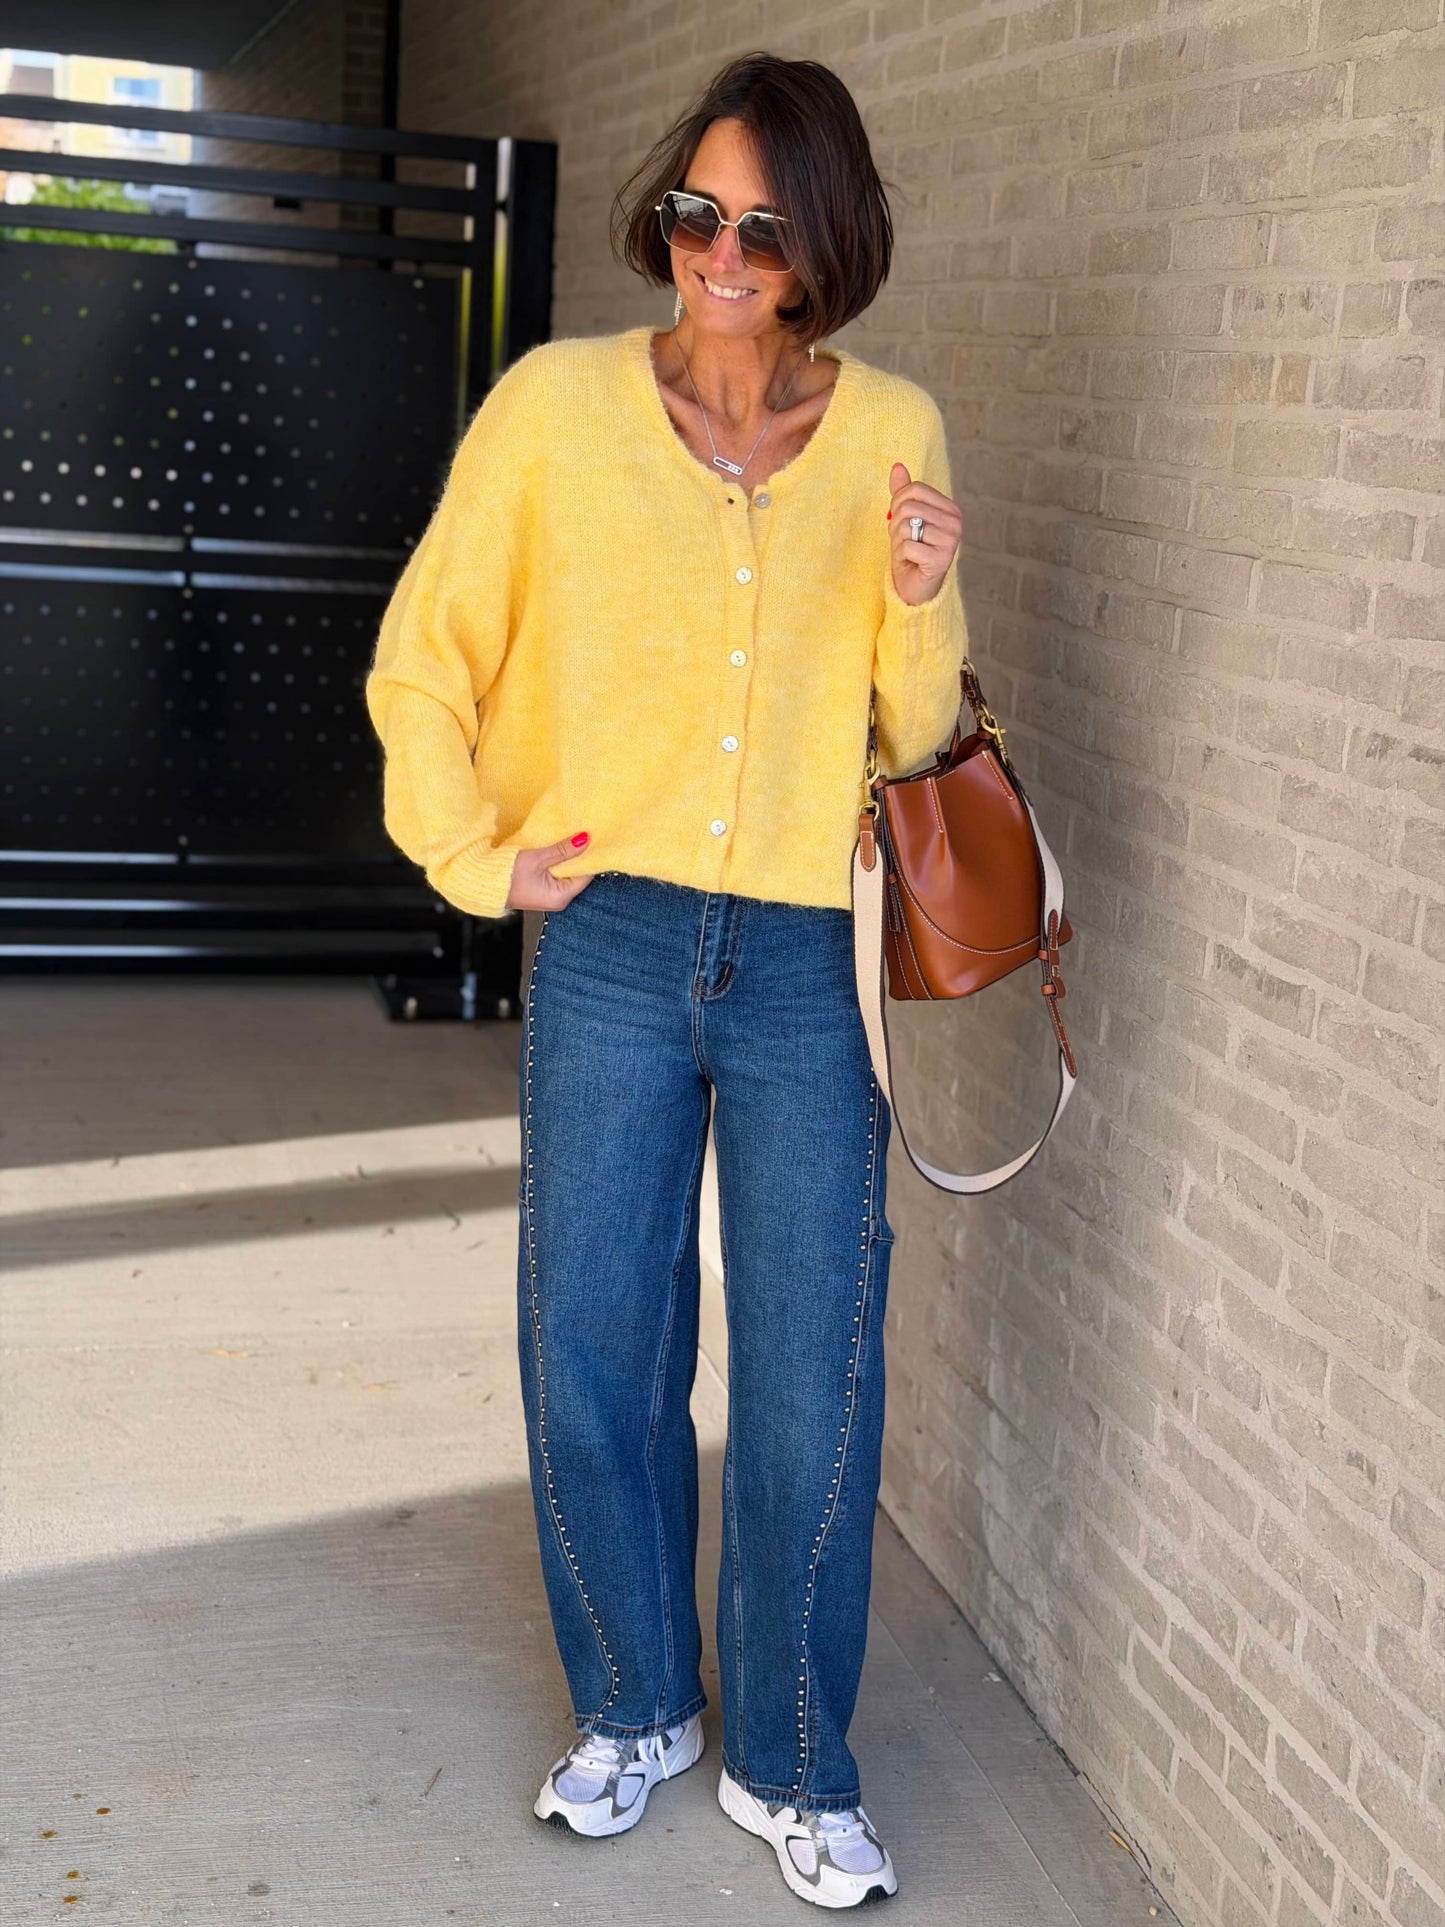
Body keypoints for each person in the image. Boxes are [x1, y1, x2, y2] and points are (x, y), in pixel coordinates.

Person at [364, 50, 966, 1910]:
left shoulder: (893, 430)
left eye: (762, 227)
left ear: (821, 246)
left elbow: (913, 736)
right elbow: (423, 656)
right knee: (596, 1347)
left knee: (811, 1374)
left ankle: (790, 1755)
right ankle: (635, 1703)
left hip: (802, 961)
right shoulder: (554, 408)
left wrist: (923, 596)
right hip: (613, 940)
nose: (719, 251)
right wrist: (478, 861)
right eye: (699, 211)